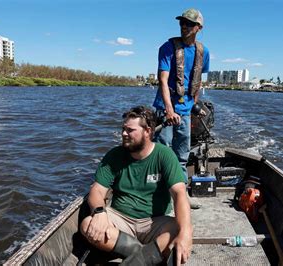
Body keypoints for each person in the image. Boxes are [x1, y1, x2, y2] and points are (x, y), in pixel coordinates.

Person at [80, 106, 193, 265]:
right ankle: (143, 254)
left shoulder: (164, 155)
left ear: (147, 131)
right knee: (87, 225)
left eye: (130, 130)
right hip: (120, 220)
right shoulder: (115, 155)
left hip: (154, 222)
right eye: (123, 129)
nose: (124, 134)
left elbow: (179, 194)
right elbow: (97, 190)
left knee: (178, 229)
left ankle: (136, 260)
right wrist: (99, 212)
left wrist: (186, 233)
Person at [153, 8, 210, 193]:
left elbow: (198, 78)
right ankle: (161, 193)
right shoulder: (168, 47)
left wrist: (194, 103)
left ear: (199, 27)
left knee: (182, 154)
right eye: (182, 23)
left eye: (189, 24)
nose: (184, 26)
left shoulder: (203, 51)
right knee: (163, 150)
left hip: (185, 109)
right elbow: (162, 79)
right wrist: (169, 109)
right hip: (166, 107)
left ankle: (181, 192)